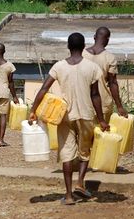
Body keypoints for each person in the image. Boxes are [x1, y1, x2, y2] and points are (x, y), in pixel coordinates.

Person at [28, 33, 110, 205]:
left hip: (64, 115)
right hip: (86, 115)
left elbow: (44, 89)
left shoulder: (59, 66)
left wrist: (33, 109)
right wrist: (102, 120)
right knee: (84, 151)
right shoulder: (92, 67)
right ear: (83, 46)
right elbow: (95, 96)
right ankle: (80, 182)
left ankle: (69, 195)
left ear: (68, 46)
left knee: (66, 154)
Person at [83, 26, 128, 122]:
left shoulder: (81, 55)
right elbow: (112, 83)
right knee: (102, 135)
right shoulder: (110, 58)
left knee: (85, 136)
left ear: (94, 37)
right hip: (103, 105)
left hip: (84, 104)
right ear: (107, 40)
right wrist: (119, 106)